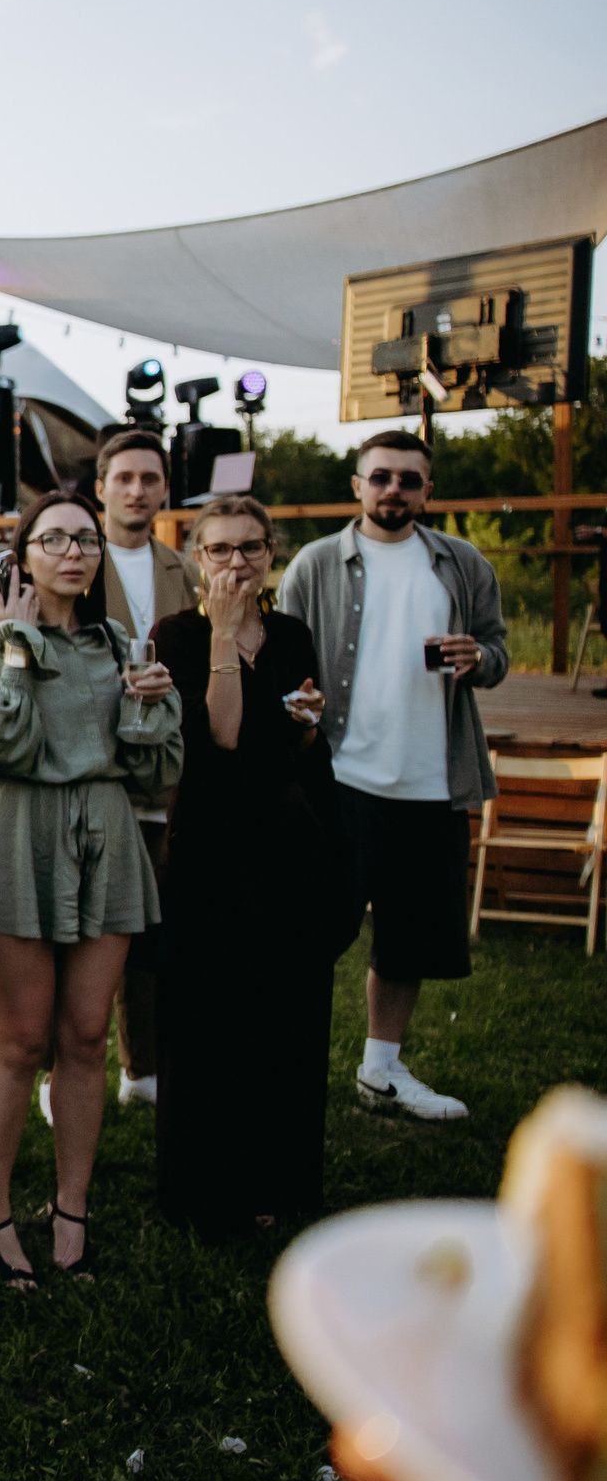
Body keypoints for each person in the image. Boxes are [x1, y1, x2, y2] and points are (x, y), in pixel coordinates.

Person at [0, 491, 181, 1286]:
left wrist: (152, 709)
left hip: (107, 835)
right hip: (20, 835)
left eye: (86, 540)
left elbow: (155, 771)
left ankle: (71, 1211)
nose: (74, 552)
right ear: (23, 556)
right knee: (21, 1038)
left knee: (85, 1036)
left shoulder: (119, 645)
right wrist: (18, 651)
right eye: (55, 539)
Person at [277, 430, 507, 1122]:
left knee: (410, 940)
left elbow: (496, 651)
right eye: (380, 477)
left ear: (427, 491)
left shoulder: (462, 563)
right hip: (341, 778)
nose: (393, 490)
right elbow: (282, 657)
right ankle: (284, 1067)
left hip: (433, 782)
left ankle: (381, 1071)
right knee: (312, 932)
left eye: (409, 479)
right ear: (357, 485)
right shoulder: (316, 563)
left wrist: (479, 658)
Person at [153, 496, 349, 1231]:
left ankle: (280, 1182)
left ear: (272, 554)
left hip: (288, 838)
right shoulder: (178, 633)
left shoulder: (292, 633)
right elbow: (223, 735)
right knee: (210, 1015)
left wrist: (306, 724)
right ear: (197, 559)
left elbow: (299, 742)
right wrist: (225, 633)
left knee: (286, 1012)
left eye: (251, 548)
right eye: (221, 549)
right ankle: (210, 1190)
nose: (237, 562)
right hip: (210, 842)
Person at [92, 428, 200, 1109]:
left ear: (165, 489)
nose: (136, 490)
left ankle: (142, 1067)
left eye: (149, 478)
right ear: (100, 487)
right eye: (124, 478)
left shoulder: (184, 571)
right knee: (85, 930)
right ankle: (61, 1069)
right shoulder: (74, 560)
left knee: (152, 925)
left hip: (162, 772)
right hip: (94, 770)